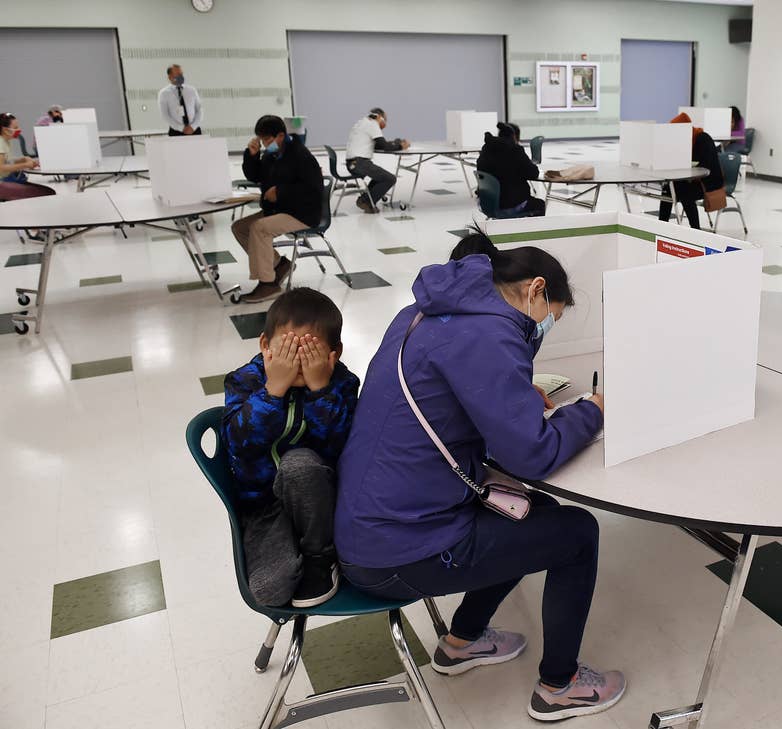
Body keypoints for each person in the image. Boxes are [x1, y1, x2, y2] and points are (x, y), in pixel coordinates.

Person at [334, 233, 625, 721]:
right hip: (398, 551)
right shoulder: (491, 334)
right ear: (535, 290)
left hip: (371, 523)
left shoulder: (422, 313)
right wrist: (593, 411)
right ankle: (560, 686)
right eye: (550, 313)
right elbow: (534, 454)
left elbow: (445, 396)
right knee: (577, 532)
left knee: (535, 513)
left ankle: (462, 640)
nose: (545, 326)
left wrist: (513, 395)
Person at [223, 287, 361, 608]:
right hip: (263, 507)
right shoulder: (244, 381)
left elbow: (344, 446)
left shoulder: (342, 383)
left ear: (333, 353)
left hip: (323, 500)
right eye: (287, 351)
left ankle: (319, 553)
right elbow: (237, 443)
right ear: (264, 345)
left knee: (298, 463)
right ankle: (305, 547)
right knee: (269, 590)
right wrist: (273, 390)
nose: (296, 364)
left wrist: (320, 391)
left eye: (308, 354)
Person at [232, 115, 323, 304]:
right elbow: (255, 175)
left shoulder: (301, 155)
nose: (265, 144)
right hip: (280, 209)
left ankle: (268, 284)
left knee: (259, 227)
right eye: (262, 140)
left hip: (302, 212)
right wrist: (252, 155)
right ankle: (279, 264)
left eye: (266, 140)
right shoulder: (271, 155)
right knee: (240, 227)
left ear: (281, 136)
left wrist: (281, 192)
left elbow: (313, 189)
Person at [658, 112, 724, 229]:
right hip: (692, 180)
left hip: (710, 181)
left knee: (685, 194)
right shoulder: (685, 141)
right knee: (667, 190)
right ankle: (661, 227)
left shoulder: (703, 139)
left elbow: (706, 166)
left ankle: (695, 230)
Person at [343, 107, 409, 213]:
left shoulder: (362, 122)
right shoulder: (372, 124)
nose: (385, 123)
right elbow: (384, 146)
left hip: (353, 163)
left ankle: (365, 200)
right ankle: (366, 202)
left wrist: (395, 144)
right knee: (390, 179)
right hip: (359, 163)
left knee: (380, 177)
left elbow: (378, 145)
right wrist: (401, 146)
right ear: (379, 117)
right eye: (385, 120)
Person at [476, 122, 545, 216]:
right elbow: (533, 173)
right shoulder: (515, 151)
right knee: (539, 204)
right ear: (514, 137)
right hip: (510, 205)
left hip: (486, 204)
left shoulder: (486, 149)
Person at [0, 113, 55, 202]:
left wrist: (22, 160)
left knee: (48, 192)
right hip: (2, 184)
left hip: (5, 181)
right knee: (48, 193)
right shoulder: (1, 143)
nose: (19, 130)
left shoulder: (5, 141)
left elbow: (6, 162)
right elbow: (1, 168)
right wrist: (25, 164)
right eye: (15, 128)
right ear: (5, 130)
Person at [158, 64, 203, 136]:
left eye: (181, 74)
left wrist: (193, 127)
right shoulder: (164, 93)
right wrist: (181, 128)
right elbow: (165, 115)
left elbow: (199, 110)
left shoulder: (191, 90)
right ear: (170, 77)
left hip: (194, 130)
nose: (181, 76)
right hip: (176, 132)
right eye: (178, 74)